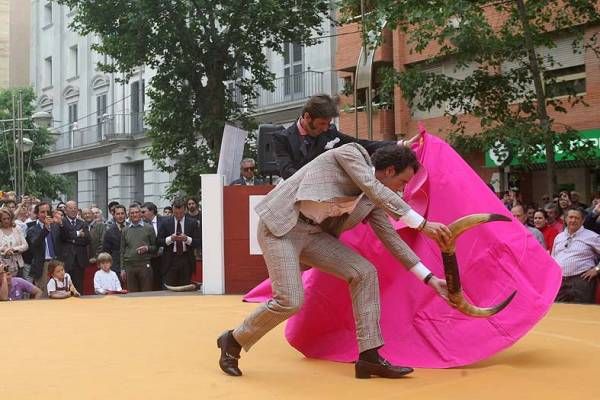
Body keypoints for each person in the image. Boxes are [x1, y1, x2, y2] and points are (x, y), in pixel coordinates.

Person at [217, 143, 451, 379]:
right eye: (402, 182)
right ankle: (234, 340)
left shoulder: (372, 202)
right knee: (290, 300)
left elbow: (393, 240)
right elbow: (373, 187)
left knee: (364, 272)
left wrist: (429, 278)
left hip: (314, 236)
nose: (403, 190)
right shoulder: (349, 154)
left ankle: (369, 357)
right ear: (389, 171)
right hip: (282, 228)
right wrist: (422, 224)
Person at [273, 94, 403, 180]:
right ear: (307, 117)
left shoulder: (330, 132)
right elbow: (287, 171)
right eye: (322, 123)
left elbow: (361, 145)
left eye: (328, 124)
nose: (325, 128)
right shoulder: (282, 138)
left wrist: (401, 145)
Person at [551, 207, 600, 304]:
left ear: (583, 220)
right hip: (560, 281)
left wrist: (597, 269)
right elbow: (553, 258)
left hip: (581, 281)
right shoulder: (559, 237)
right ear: (565, 219)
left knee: (583, 312)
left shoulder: (592, 236)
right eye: (571, 217)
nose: (573, 220)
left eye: (576, 218)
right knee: (560, 312)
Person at [157, 198, 201, 286]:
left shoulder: (192, 223)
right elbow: (158, 241)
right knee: (169, 287)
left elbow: (198, 242)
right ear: (173, 211)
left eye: (181, 213)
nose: (178, 215)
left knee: (185, 288)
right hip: (170, 260)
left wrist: (186, 239)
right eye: (176, 213)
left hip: (186, 260)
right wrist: (170, 239)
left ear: (185, 210)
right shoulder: (165, 223)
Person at [25, 202, 61, 296]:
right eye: (42, 212)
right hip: (43, 265)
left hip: (56, 263)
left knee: (59, 291)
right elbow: (35, 243)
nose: (45, 214)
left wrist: (61, 223)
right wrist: (46, 228)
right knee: (44, 294)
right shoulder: (32, 229)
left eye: (47, 212)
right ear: (37, 214)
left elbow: (66, 238)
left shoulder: (55, 226)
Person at [120, 204, 157, 292]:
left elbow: (156, 247)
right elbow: (122, 250)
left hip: (144, 265)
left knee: (146, 294)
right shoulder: (125, 230)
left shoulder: (149, 228)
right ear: (129, 215)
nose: (134, 214)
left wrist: (147, 248)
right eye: (132, 213)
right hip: (130, 267)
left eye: (136, 212)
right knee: (132, 295)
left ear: (140, 213)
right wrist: (122, 269)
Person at [59, 201, 90, 293]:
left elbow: (87, 239)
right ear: (65, 210)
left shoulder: (82, 223)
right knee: (66, 287)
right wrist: (77, 234)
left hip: (79, 260)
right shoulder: (62, 222)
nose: (73, 210)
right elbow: (62, 237)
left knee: (79, 287)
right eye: (70, 208)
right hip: (66, 259)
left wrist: (71, 239)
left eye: (75, 208)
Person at [0, 209, 29, 276]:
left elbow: (25, 245)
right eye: (4, 219)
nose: (7, 221)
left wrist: (13, 249)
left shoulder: (17, 229)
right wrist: (5, 250)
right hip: (2, 266)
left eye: (8, 218)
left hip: (18, 265)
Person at [102, 205, 127, 277]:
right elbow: (106, 251)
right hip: (116, 266)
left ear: (125, 214)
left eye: (122, 213)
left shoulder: (131, 227)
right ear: (114, 215)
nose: (120, 216)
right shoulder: (109, 231)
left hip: (130, 264)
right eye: (118, 214)